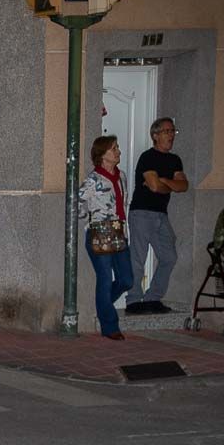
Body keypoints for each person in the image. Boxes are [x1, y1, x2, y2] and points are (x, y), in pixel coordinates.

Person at [125, 117, 188, 315]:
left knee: (169, 257)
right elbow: (154, 186)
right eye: (167, 131)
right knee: (138, 258)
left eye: (173, 131)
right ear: (155, 135)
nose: (171, 135)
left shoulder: (175, 159)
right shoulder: (148, 157)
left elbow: (183, 186)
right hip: (142, 212)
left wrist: (163, 180)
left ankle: (153, 298)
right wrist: (166, 183)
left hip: (161, 215)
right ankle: (134, 301)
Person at [78, 135, 134, 340]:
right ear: (102, 155)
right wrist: (91, 220)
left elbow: (123, 204)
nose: (118, 151)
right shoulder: (93, 180)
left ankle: (103, 306)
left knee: (127, 280)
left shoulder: (122, 177)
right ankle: (110, 327)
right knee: (104, 278)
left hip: (119, 233)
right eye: (114, 148)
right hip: (99, 233)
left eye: (117, 147)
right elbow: (76, 203)